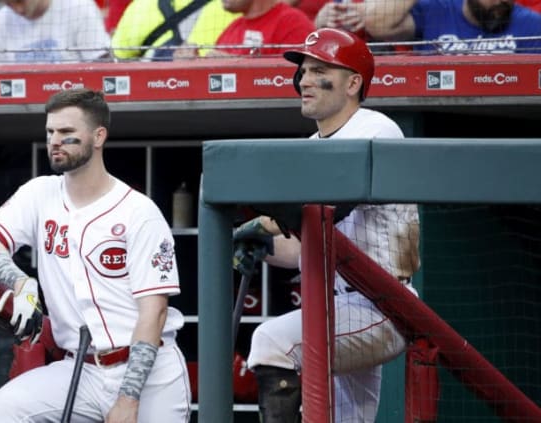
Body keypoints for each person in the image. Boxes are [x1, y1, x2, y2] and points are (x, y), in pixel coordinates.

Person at [0, 88, 191, 422]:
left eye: (67, 133)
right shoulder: (39, 194)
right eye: (50, 132)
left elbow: (154, 312)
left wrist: (129, 399)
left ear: (98, 136)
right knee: (3, 409)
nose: (55, 140)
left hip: (149, 372)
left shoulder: (138, 211)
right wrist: (19, 282)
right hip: (80, 368)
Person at [232, 28, 420, 422]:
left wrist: (265, 222)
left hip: (380, 303)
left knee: (272, 342)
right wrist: (264, 247)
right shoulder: (313, 143)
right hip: (338, 301)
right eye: (303, 70)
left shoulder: (376, 128)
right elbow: (307, 244)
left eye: (320, 69)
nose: (305, 79)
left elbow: (327, 208)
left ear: (353, 83)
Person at [363, 0, 541, 54]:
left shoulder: (532, 24)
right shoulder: (437, 10)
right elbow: (376, 25)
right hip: (431, 106)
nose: (500, 2)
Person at [0, 0, 110, 65]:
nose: (18, 9)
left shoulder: (79, 7)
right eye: (9, 4)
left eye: (20, 1)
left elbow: (102, 67)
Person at [113, 0, 239, 60]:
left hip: (151, 97)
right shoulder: (234, 4)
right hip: (214, 93)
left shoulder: (141, 5)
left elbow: (118, 58)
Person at [207, 0, 315, 57]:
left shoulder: (292, 23)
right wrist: (195, 62)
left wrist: (233, 65)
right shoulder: (233, 28)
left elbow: (292, 79)